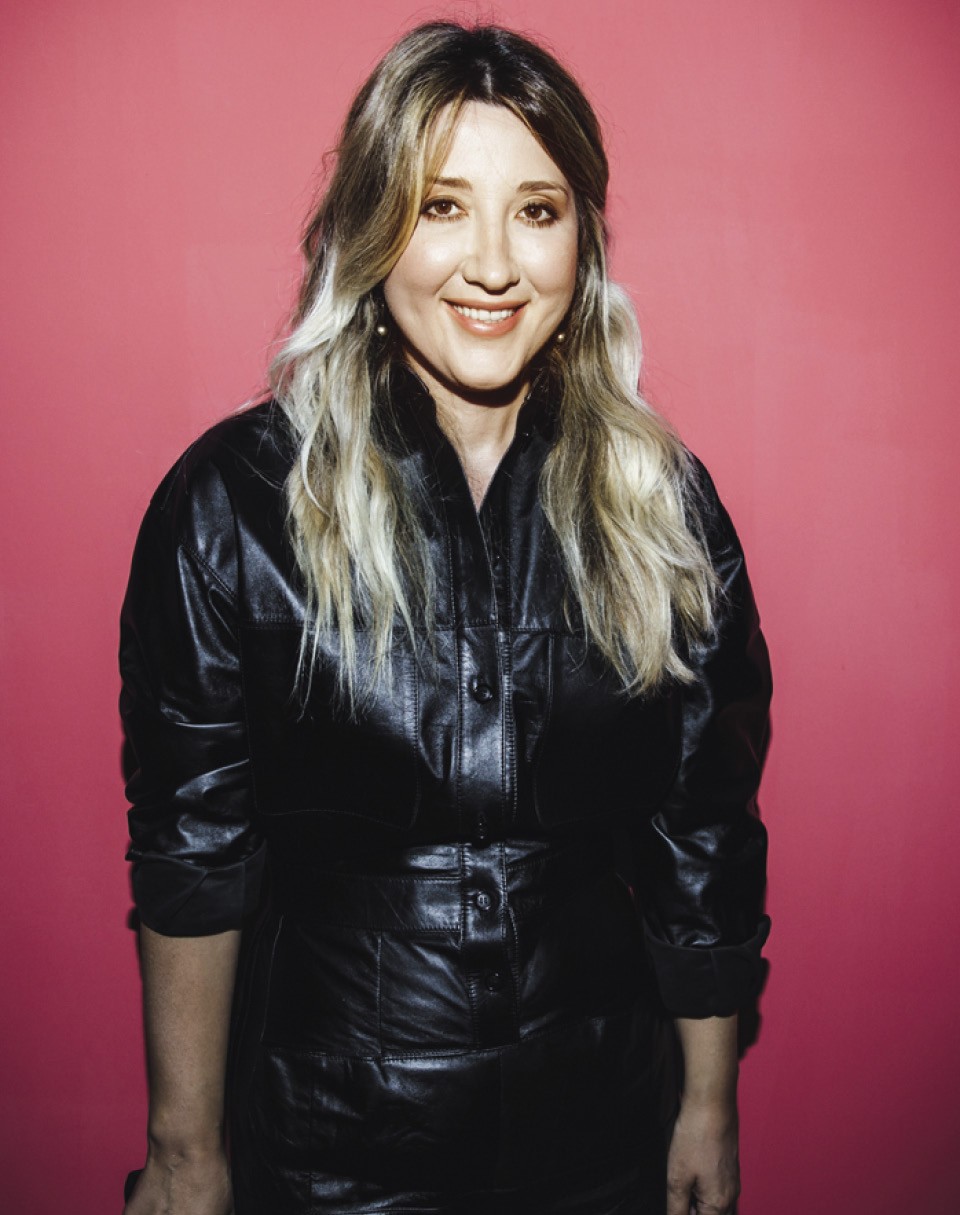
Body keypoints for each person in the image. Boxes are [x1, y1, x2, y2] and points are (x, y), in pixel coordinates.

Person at [120, 21, 771, 1215]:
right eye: (440, 207)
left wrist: (708, 1107)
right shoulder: (232, 505)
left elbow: (702, 829)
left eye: (537, 211)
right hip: (325, 1146)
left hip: (601, 1135)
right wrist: (184, 1152)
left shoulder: (663, 505)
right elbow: (192, 854)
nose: (493, 264)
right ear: (373, 228)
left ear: (582, 240)